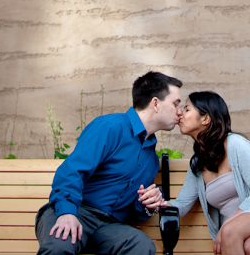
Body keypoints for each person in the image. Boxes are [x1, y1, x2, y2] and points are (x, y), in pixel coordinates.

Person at [35, 71, 183, 255]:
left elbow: (133, 209)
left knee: (141, 245)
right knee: (60, 244)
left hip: (109, 226)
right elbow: (71, 171)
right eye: (176, 103)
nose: (180, 112)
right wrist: (66, 212)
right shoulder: (110, 127)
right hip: (77, 210)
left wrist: (148, 204)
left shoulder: (151, 158)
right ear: (155, 104)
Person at [169, 91, 250, 255]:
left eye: (187, 109)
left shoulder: (235, 145)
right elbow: (182, 205)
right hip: (238, 229)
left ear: (205, 118)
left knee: (230, 232)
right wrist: (158, 204)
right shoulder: (198, 164)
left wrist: (228, 225)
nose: (180, 115)